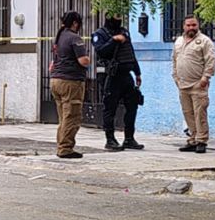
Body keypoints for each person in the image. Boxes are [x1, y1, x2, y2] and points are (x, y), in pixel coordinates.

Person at [92, 14, 144, 151]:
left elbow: (130, 52)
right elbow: (101, 51)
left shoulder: (124, 32)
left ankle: (129, 138)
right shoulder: (99, 34)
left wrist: (137, 72)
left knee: (132, 106)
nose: (118, 18)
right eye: (115, 15)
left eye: (119, 15)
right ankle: (110, 140)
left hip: (126, 76)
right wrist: (113, 40)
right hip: (110, 76)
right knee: (110, 108)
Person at [172, 15, 215, 153]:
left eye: (194, 25)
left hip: (198, 84)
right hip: (182, 85)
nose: (191, 27)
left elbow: (211, 60)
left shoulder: (205, 41)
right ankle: (193, 139)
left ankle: (201, 141)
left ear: (198, 26)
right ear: (183, 26)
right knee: (188, 113)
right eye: (188, 25)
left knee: (200, 114)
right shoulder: (178, 41)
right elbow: (174, 60)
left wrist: (205, 78)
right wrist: (175, 77)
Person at [49, 11, 91, 159]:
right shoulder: (74, 38)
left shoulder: (59, 37)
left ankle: (61, 145)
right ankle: (65, 148)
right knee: (72, 116)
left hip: (56, 80)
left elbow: (53, 62)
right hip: (71, 81)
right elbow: (83, 61)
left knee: (63, 117)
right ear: (75, 23)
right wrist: (89, 59)